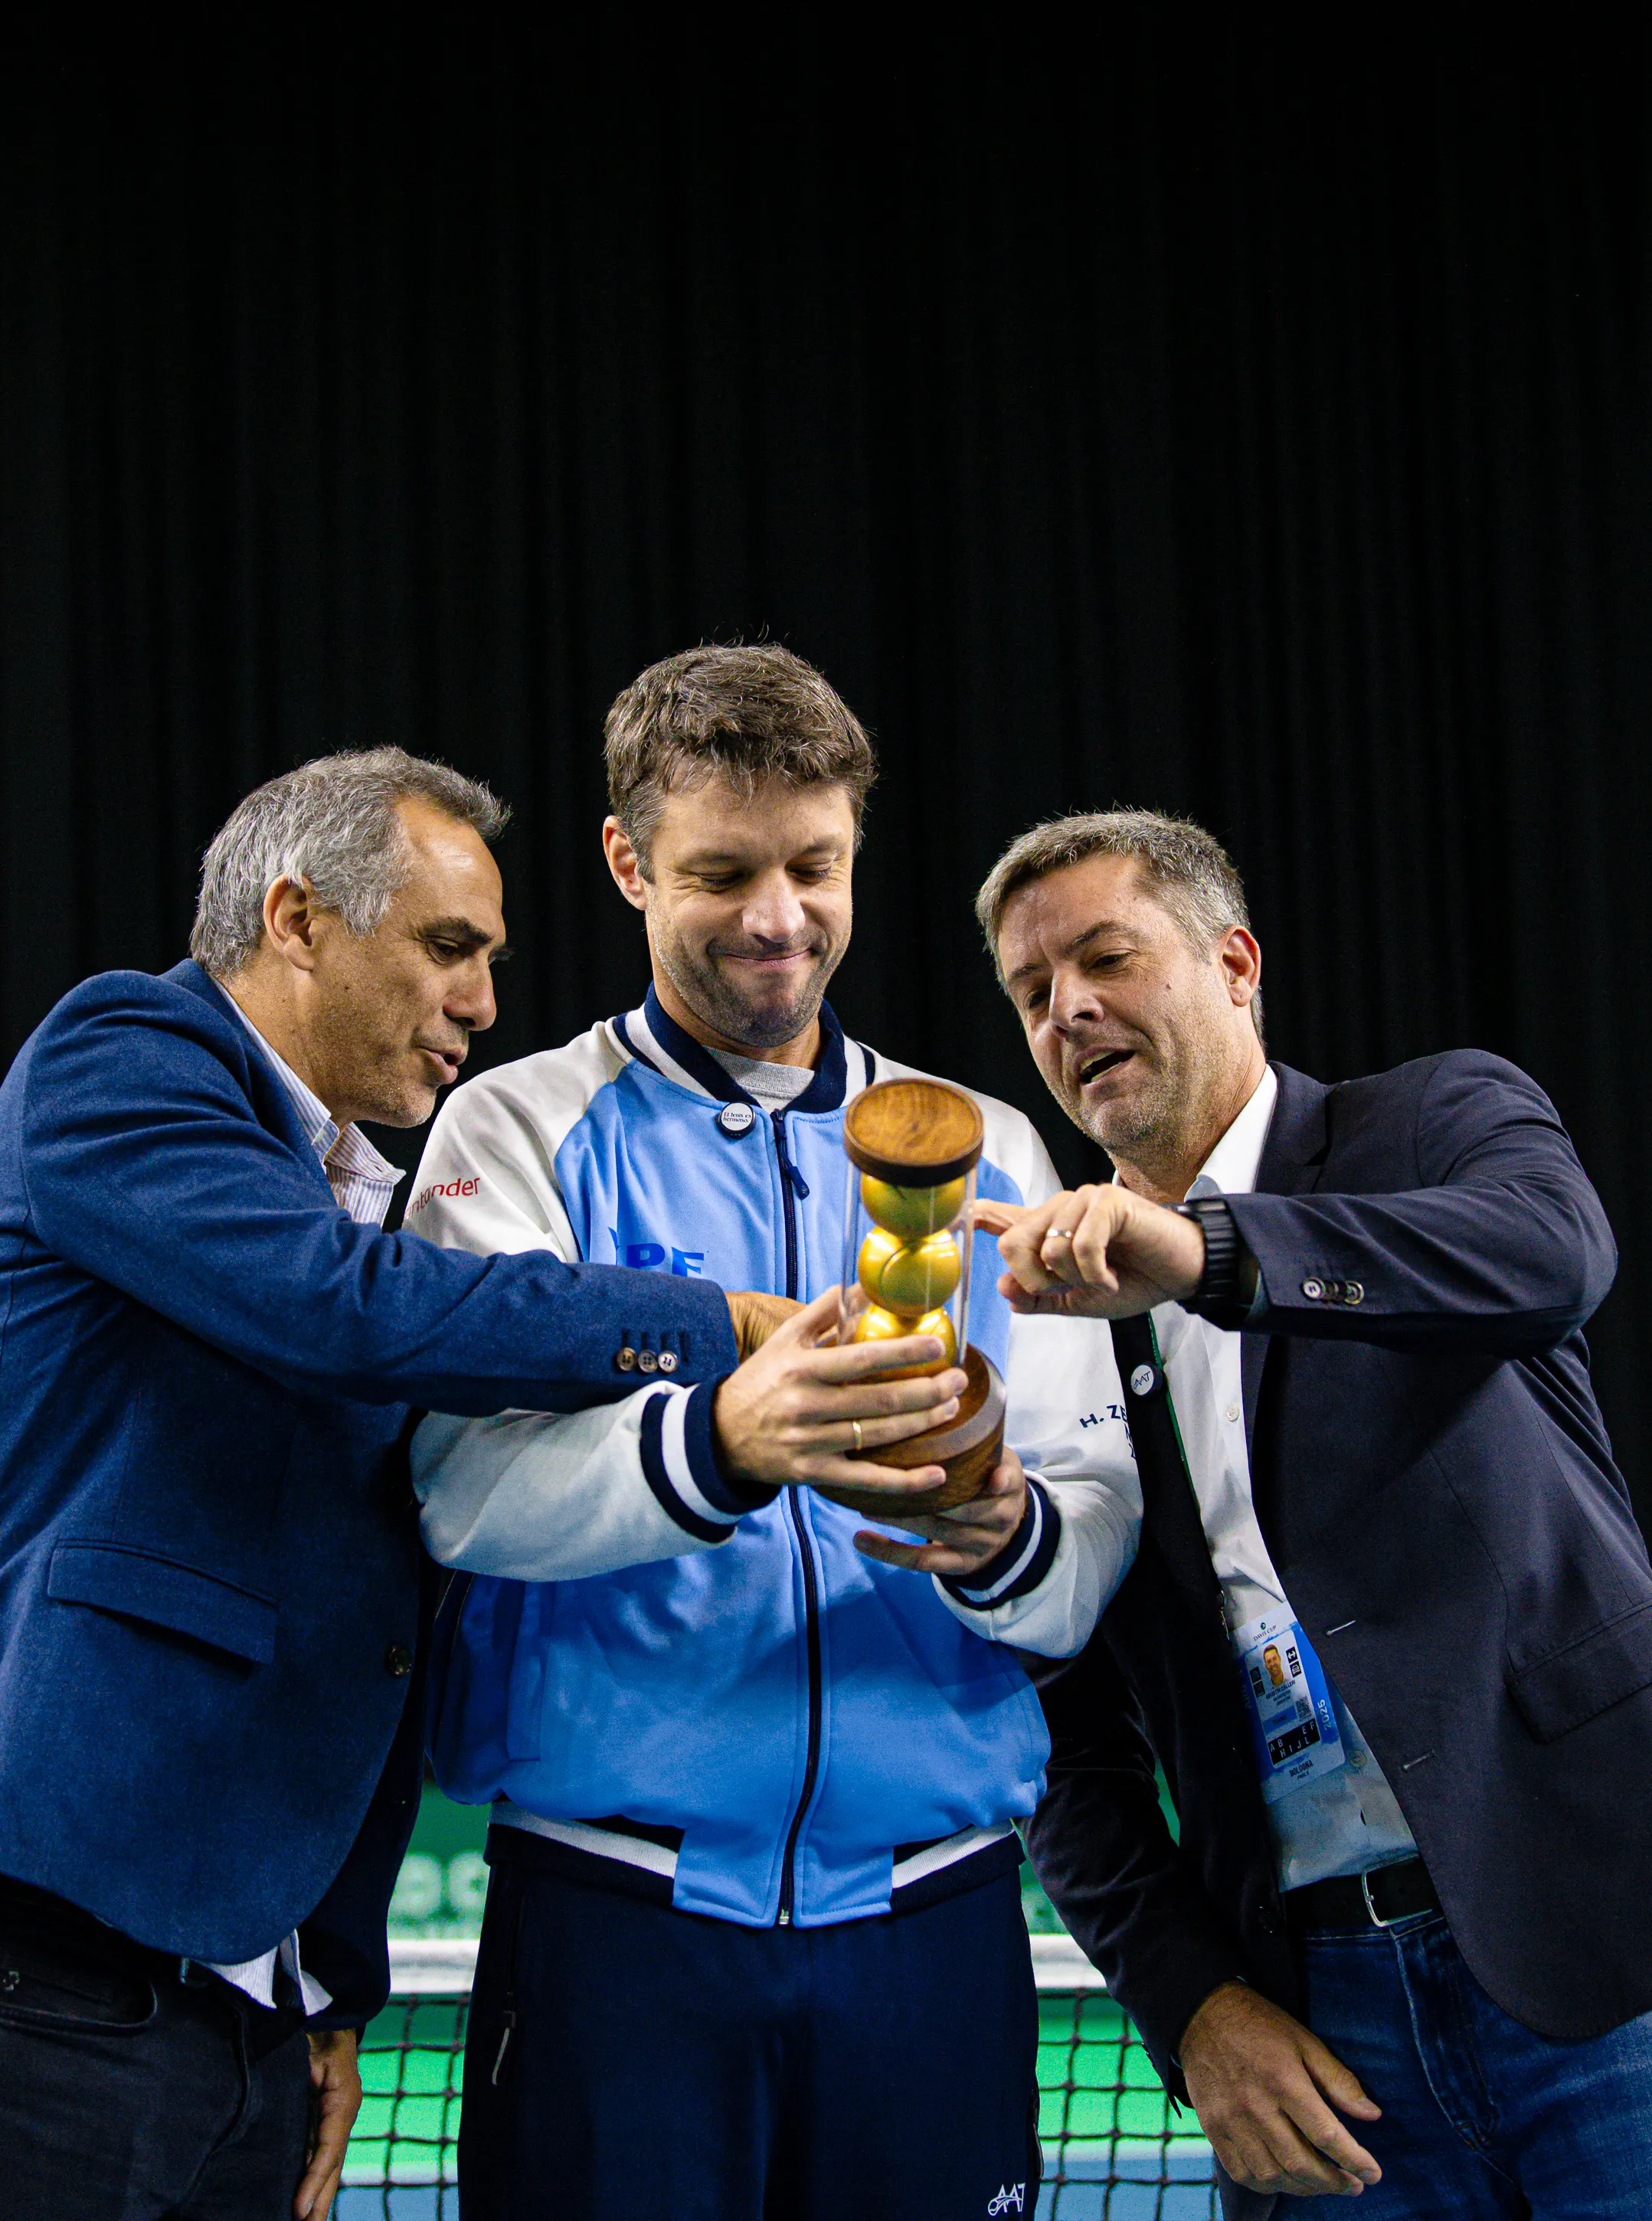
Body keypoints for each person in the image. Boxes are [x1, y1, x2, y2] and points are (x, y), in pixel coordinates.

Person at [0, 747, 951, 2221]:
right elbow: (347, 1307)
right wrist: (715, 1326)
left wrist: (328, 1980)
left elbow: (373, 1604)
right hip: (30, 1958)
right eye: (449, 949)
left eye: (496, 960)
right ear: (296, 919)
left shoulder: (345, 1181)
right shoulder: (122, 1056)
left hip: (243, 2005)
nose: (484, 1004)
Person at [404, 646, 1143, 2221]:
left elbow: (1087, 1552)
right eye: (720, 871)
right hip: (614, 1924)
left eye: (813, 867)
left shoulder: (990, 1141)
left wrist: (1003, 1534)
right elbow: (459, 1492)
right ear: (625, 863)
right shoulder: (515, 1128)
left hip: (934, 1932)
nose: (777, 917)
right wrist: (717, 1446)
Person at [972, 807, 1652, 2219]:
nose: (1069, 1011)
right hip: (1311, 2030)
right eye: (1032, 993)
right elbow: (1062, 1732)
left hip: (1615, 1941)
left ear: (1235, 964)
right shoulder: (1048, 1320)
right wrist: (1189, 2009)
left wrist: (1210, 1253)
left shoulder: (1432, 1117)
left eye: (1106, 958)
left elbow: (1552, 1252)